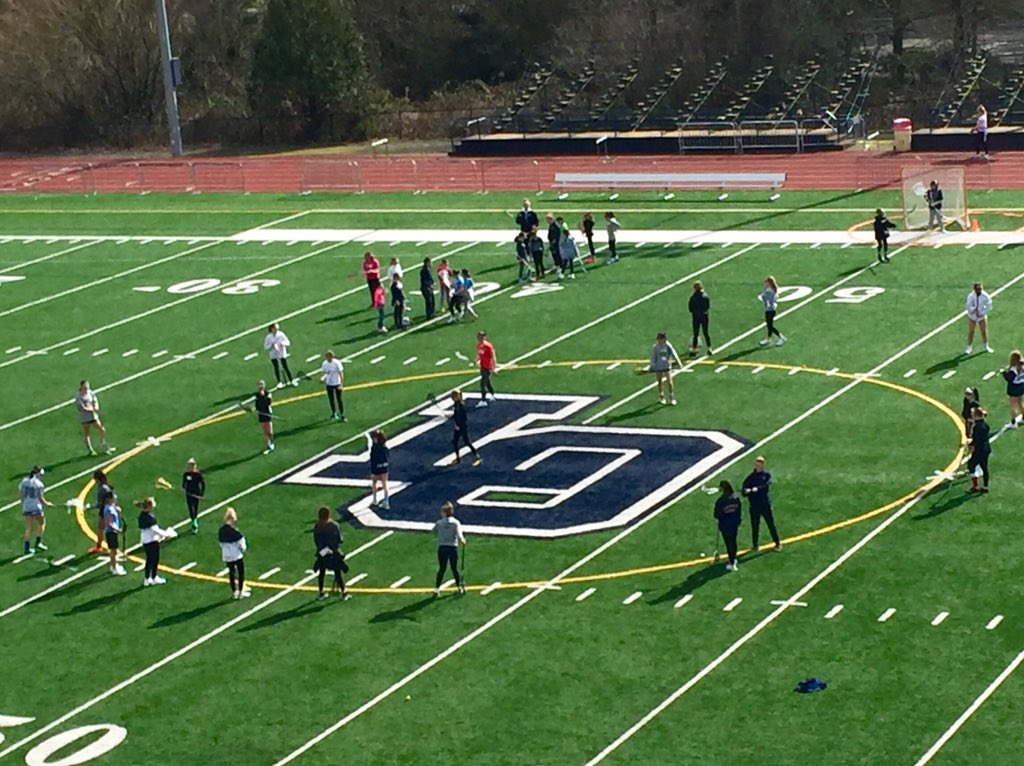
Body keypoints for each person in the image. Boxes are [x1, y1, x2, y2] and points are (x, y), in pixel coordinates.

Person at [741, 456, 782, 552]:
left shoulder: (766, 475)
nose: (758, 467)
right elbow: (744, 490)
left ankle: (777, 543)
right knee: (755, 526)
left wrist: (756, 489)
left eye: (760, 465)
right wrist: (746, 491)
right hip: (754, 506)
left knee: (771, 524)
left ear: (763, 465)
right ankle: (755, 545)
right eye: (757, 465)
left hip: (765, 504)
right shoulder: (750, 478)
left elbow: (766, 486)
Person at [313, 506, 349, 600]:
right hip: (334, 553)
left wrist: (323, 549)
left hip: (322, 554)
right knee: (338, 573)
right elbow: (340, 540)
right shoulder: (334, 525)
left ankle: (321, 592)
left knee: (322, 572)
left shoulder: (317, 526)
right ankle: (344, 592)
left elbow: (316, 540)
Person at [136, 497, 172, 586]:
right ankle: (154, 577)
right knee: (155, 560)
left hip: (145, 540)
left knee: (149, 560)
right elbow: (155, 530)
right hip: (151, 541)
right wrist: (166, 534)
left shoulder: (142, 515)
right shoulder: (149, 517)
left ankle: (147, 579)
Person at [433, 501, 466, 595]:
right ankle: (459, 587)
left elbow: (434, 531)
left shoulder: (439, 523)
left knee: (442, 568)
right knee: (454, 568)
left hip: (442, 547)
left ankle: (436, 588)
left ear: (444, 513)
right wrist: (462, 540)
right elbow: (460, 535)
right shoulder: (456, 523)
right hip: (452, 548)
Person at [19, 465, 52, 555]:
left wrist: (24, 504)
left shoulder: (24, 481)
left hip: (27, 506)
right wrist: (47, 504)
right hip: (36, 507)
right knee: (42, 523)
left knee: (28, 527)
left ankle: (26, 548)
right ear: (37, 474)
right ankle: (38, 543)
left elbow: (21, 494)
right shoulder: (39, 484)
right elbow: (40, 498)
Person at [218, 507, 250, 599]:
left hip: (227, 555)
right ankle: (240, 591)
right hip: (236, 555)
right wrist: (241, 550)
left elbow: (220, 543)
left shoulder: (221, 531)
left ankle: (234, 592)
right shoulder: (235, 531)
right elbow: (242, 545)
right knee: (241, 572)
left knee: (231, 573)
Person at [76, 380, 114, 456]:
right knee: (87, 434)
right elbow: (82, 408)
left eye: (87, 387)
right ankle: (90, 450)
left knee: (101, 429)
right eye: (85, 387)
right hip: (85, 418)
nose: (87, 389)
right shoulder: (79, 397)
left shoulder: (90, 392)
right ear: (81, 387)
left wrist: (96, 406)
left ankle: (103, 444)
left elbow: (95, 400)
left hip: (93, 416)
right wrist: (92, 409)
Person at [713, 480, 742, 572]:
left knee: (728, 543)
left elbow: (716, 515)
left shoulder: (721, 501)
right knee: (733, 542)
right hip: (734, 524)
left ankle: (732, 562)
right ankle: (733, 558)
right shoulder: (735, 498)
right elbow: (739, 511)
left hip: (725, 525)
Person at [649, 332, 684, 406]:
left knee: (670, 382)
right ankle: (661, 396)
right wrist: (652, 366)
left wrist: (679, 362)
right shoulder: (655, 347)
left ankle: (671, 397)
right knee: (659, 382)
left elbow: (674, 353)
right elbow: (653, 358)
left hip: (666, 366)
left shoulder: (668, 345)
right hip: (658, 367)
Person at [449, 390, 482, 466]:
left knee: (466, 442)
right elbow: (456, 415)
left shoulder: (460, 406)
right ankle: (458, 458)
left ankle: (476, 455)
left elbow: (463, 418)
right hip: (458, 426)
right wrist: (452, 418)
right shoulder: (456, 404)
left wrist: (458, 425)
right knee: (455, 442)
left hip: (462, 427)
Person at [88, 469, 114, 554]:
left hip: (104, 510)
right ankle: (102, 546)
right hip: (109, 508)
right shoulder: (106, 486)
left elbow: (99, 504)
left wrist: (90, 507)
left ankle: (101, 547)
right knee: (106, 528)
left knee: (102, 529)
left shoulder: (101, 489)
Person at [263, 322, 295, 388]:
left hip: (281, 353)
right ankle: (279, 382)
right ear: (272, 329)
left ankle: (291, 380)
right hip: (273, 354)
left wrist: (283, 344)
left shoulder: (281, 334)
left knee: (285, 367)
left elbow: (288, 342)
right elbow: (266, 347)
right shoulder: (268, 337)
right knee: (276, 368)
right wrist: (271, 346)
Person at [967, 406, 991, 493]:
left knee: (971, 466)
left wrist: (970, 444)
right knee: (984, 467)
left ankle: (975, 486)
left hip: (979, 450)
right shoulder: (985, 425)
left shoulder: (977, 427)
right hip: (986, 448)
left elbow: (976, 439)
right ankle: (985, 486)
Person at [965, 282, 993, 355]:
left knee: (983, 331)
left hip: (981, 316)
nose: (979, 290)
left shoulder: (985, 296)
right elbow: (968, 305)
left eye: (980, 289)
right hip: (972, 316)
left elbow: (989, 305)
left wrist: (982, 312)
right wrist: (974, 309)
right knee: (971, 331)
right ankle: (969, 347)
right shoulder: (971, 296)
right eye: (978, 289)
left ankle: (986, 346)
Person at [102, 491, 126, 576]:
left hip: (113, 531)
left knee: (114, 550)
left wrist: (118, 512)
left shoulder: (112, 507)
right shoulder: (108, 509)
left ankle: (114, 566)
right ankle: (114, 567)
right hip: (111, 532)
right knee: (113, 551)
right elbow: (109, 523)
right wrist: (118, 530)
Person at [758, 276, 786, 347]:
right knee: (769, 325)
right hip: (771, 309)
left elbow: (764, 298)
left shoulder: (768, 291)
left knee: (770, 326)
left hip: (769, 310)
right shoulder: (772, 290)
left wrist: (764, 292)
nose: (765, 284)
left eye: (766, 283)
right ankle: (768, 338)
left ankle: (781, 337)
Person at [181, 457, 205, 534]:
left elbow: (203, 484)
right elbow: (184, 483)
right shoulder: (186, 474)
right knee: (191, 508)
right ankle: (194, 523)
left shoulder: (198, 474)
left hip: (196, 493)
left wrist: (201, 493)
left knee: (195, 507)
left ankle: (194, 521)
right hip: (189, 493)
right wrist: (183, 488)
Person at [320, 350, 345, 421]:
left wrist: (341, 384)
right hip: (329, 383)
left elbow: (341, 374)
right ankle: (334, 413)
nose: (328, 358)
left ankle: (342, 414)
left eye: (329, 357)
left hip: (337, 383)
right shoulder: (324, 364)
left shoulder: (337, 363)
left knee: (339, 399)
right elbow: (325, 373)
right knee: (331, 399)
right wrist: (323, 378)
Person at [688, 281, 712, 356]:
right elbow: (707, 307)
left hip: (696, 316)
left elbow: (690, 308)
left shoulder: (693, 297)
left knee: (696, 333)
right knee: (706, 333)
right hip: (704, 316)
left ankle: (694, 350)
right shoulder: (705, 296)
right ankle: (709, 348)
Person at [1002, 350, 1024, 429]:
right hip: (1021, 386)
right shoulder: (1022, 365)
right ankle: (1023, 418)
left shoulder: (1014, 369)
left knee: (1013, 406)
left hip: (1014, 388)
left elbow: (1010, 379)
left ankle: (1013, 423)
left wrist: (1004, 374)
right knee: (1020, 403)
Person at [369, 430, 390, 510]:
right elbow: (387, 456)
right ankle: (386, 501)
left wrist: (373, 470)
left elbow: (373, 458)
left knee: (374, 483)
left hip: (376, 468)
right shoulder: (384, 445)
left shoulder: (375, 447)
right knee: (385, 484)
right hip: (384, 467)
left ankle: (375, 500)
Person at [476, 331, 497, 408]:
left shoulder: (488, 346)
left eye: (482, 336)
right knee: (487, 382)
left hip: (488, 367)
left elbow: (493, 356)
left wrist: (494, 367)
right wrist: (477, 360)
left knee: (482, 384)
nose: (480, 338)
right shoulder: (478, 345)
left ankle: (483, 400)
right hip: (483, 366)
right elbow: (479, 354)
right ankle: (492, 394)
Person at [254, 380, 275, 453]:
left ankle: (272, 443)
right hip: (261, 414)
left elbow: (268, 403)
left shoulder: (268, 393)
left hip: (267, 413)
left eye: (262, 384)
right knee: (264, 431)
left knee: (269, 430)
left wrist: (263, 396)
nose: (260, 386)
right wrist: (257, 409)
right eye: (259, 385)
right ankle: (268, 444)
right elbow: (257, 404)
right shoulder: (256, 395)